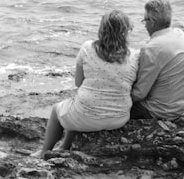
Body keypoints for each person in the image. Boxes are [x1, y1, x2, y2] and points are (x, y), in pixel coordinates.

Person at [36, 10, 139, 157]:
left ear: (102, 29)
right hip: (118, 118)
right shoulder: (135, 55)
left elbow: (78, 82)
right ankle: (65, 145)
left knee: (59, 109)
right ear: (125, 32)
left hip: (86, 116)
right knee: (81, 102)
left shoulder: (87, 47)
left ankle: (44, 152)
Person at [130, 0, 184, 120]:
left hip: (160, 110)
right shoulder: (180, 34)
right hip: (183, 104)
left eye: (145, 21)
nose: (145, 25)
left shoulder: (152, 49)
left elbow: (139, 94)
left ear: (152, 22)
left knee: (115, 107)